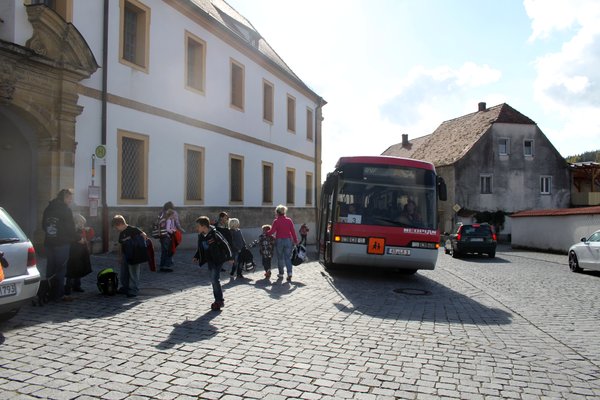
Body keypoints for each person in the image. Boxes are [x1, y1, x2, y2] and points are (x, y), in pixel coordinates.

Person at [42, 188, 79, 302]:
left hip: (49, 242)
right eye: (69, 198)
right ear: (64, 197)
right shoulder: (65, 209)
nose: (70, 201)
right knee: (60, 269)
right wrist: (78, 238)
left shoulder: (48, 207)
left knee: (50, 268)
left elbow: (43, 225)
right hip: (62, 243)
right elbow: (70, 228)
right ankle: (58, 295)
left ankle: (47, 292)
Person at [193, 216, 231, 311]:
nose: (196, 228)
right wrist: (197, 256)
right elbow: (200, 247)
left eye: (198, 226)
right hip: (210, 260)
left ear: (204, 226)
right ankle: (218, 300)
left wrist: (230, 257)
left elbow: (225, 244)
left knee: (214, 279)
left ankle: (219, 300)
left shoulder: (215, 234)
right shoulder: (201, 235)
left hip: (218, 259)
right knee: (213, 279)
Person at [112, 214, 147, 298]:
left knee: (133, 273)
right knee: (124, 273)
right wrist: (120, 257)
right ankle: (125, 288)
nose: (116, 229)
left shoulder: (133, 229)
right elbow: (120, 245)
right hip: (125, 255)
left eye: (116, 227)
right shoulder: (121, 233)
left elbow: (144, 235)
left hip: (134, 255)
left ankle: (133, 290)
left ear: (120, 224)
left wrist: (137, 247)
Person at [267, 205, 298, 282]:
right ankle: (290, 273)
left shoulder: (276, 221)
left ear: (277, 212)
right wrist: (295, 240)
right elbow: (293, 231)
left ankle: (281, 274)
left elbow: (272, 232)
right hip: (288, 240)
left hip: (279, 241)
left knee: (280, 258)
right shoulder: (289, 220)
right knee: (287, 258)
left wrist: (266, 233)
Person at [65, 213, 94, 294]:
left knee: (79, 268)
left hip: (81, 252)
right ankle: (68, 287)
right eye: (81, 222)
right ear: (76, 222)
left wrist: (87, 231)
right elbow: (75, 239)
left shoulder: (82, 229)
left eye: (83, 223)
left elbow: (89, 236)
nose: (82, 224)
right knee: (71, 270)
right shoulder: (72, 230)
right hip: (73, 252)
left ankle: (77, 285)